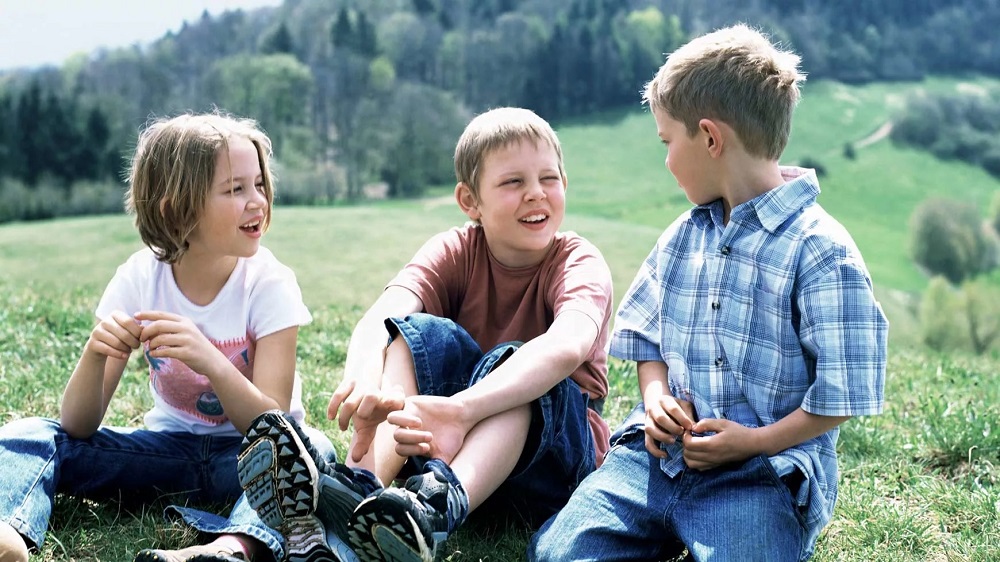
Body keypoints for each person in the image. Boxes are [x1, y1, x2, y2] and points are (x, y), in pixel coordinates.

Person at [529, 23, 889, 562]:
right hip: (656, 458)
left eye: (668, 142)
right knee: (557, 554)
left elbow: (843, 395)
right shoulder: (682, 237)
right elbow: (647, 339)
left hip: (760, 473)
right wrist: (656, 400)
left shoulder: (820, 250)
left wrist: (754, 442)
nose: (667, 160)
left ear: (710, 138)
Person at [235, 106, 615, 562]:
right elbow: (383, 315)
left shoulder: (577, 262)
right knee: (416, 332)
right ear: (470, 201)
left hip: (549, 464)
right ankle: (362, 486)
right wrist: (364, 382)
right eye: (513, 182)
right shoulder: (457, 249)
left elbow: (567, 346)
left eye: (548, 179)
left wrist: (461, 410)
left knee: (522, 363)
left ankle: (436, 508)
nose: (536, 194)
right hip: (441, 445)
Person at [0, 112, 334, 562]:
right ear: (176, 207)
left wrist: (211, 360)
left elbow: (272, 425)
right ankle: (9, 530)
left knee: (315, 452)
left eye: (258, 184)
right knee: (32, 434)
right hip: (166, 453)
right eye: (236, 189)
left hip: (252, 460)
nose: (258, 202)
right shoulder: (139, 279)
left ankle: (230, 549)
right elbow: (78, 427)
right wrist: (95, 352)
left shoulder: (269, 284)